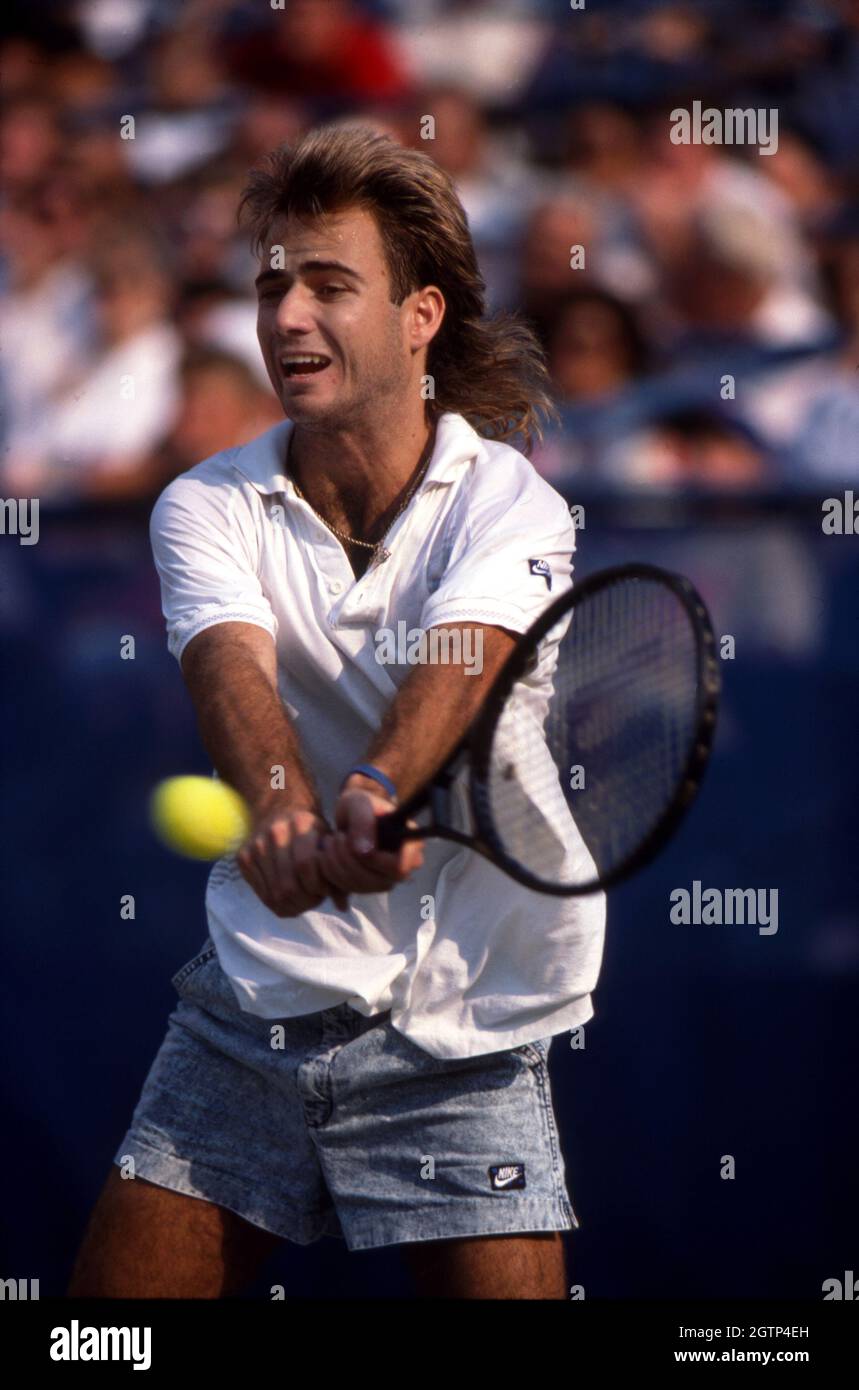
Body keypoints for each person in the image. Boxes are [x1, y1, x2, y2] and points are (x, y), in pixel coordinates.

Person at [68, 123, 605, 1301]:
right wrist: (278, 806)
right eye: (272, 285)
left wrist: (372, 794)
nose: (287, 315)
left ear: (419, 316)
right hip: (251, 1010)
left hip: (460, 1028)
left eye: (328, 284)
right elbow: (229, 671)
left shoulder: (512, 504)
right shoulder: (205, 504)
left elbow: (460, 664)